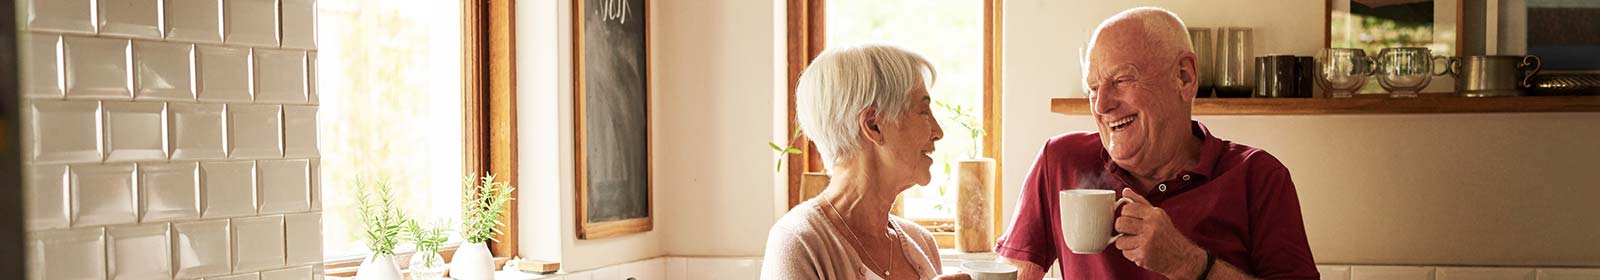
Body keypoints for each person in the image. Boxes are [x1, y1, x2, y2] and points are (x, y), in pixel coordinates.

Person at [994, 7, 1320, 280]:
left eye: (1121, 80)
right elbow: (1012, 275)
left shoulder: (1259, 177)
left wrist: (1189, 263)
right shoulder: (1061, 160)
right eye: (1092, 88)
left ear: (1184, 77)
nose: (1101, 105)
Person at [761, 43, 967, 280]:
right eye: (923, 111)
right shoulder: (799, 242)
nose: (938, 131)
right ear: (873, 125)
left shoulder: (922, 243)